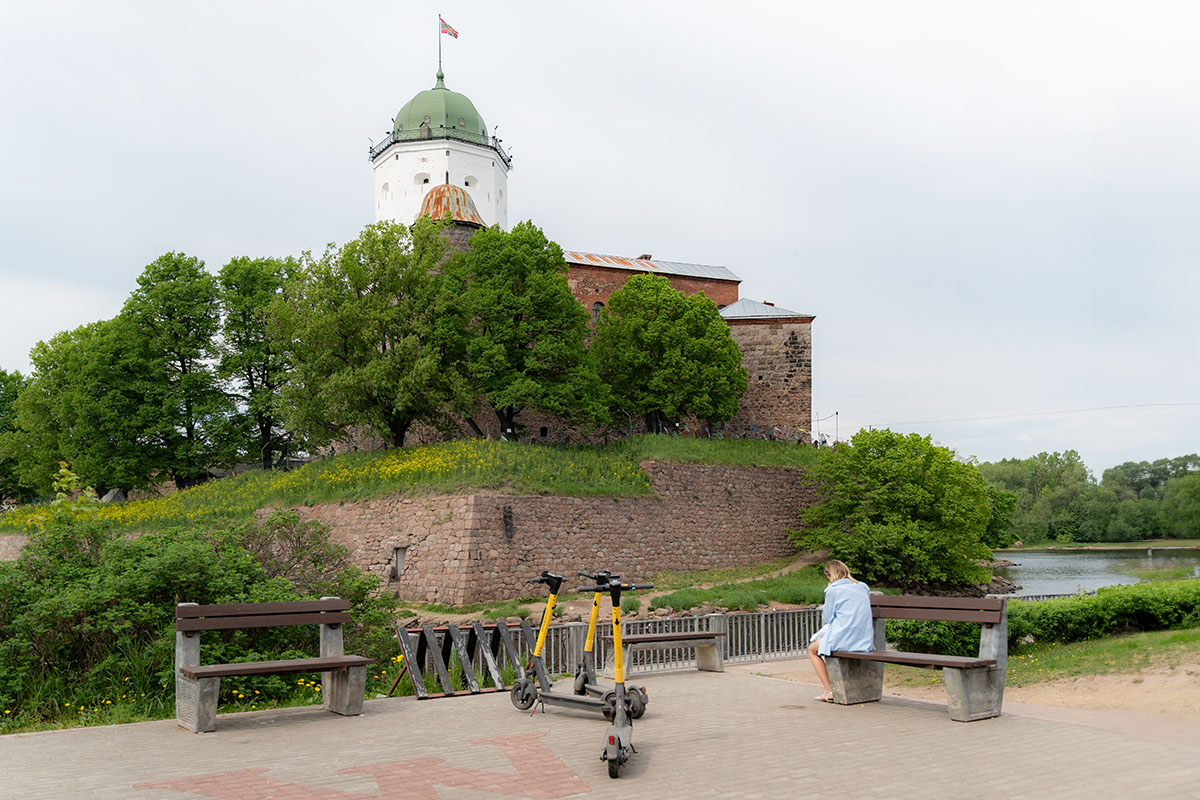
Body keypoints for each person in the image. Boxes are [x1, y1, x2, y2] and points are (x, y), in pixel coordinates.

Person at [808, 560, 875, 702]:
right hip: (864, 640)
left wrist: (829, 590)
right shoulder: (863, 586)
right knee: (823, 644)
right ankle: (832, 689)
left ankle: (829, 690)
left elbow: (828, 617)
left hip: (843, 639)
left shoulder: (833, 590)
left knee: (812, 650)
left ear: (829, 576)